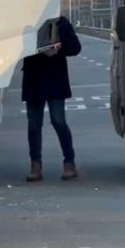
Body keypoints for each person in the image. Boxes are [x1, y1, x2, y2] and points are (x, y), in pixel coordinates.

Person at [21, 16, 82, 182]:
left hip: (55, 77)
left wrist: (59, 47)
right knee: (34, 124)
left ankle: (69, 162)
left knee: (58, 121)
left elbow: (75, 47)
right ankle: (35, 164)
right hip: (33, 77)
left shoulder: (60, 22)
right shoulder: (26, 21)